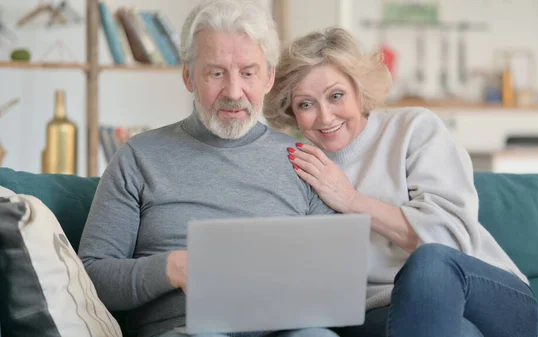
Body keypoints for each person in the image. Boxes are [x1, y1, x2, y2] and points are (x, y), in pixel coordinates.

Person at [77, 1, 341, 337]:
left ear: (269, 77)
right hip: (188, 329)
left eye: (248, 73)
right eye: (216, 73)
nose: (233, 92)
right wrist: (171, 268)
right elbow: (91, 277)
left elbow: (332, 277)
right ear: (188, 75)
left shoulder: (305, 160)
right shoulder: (138, 158)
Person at [263, 27, 538, 337]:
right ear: (291, 111)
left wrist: (351, 200)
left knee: (430, 262)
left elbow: (447, 241)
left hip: (484, 294)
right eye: (306, 104)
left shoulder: (413, 129)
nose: (325, 117)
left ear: (359, 89)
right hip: (383, 310)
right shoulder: (301, 164)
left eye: (336, 95)